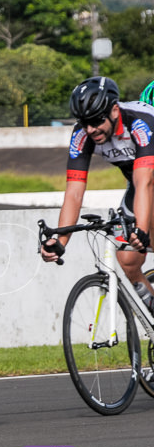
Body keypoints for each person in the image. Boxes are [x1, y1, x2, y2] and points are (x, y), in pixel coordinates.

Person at [40, 77, 154, 306]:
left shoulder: (139, 124)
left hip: (147, 177)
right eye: (84, 122)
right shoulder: (83, 134)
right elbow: (74, 192)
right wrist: (61, 240)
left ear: (114, 110)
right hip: (138, 181)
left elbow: (145, 183)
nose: (90, 129)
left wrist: (141, 229)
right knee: (128, 260)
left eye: (95, 121)